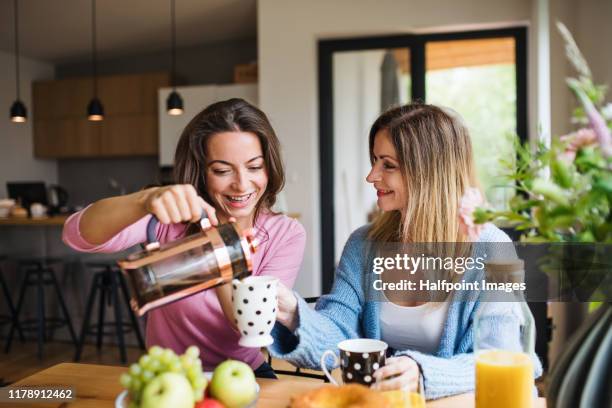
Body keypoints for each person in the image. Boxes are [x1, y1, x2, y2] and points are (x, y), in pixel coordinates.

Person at [271, 103, 542, 399]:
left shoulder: (494, 248)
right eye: (374, 160)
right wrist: (293, 313)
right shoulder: (363, 245)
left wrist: (422, 373)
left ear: (428, 172)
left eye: (388, 165)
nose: (371, 176)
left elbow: (503, 356)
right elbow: (337, 338)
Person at [63, 98, 306, 377]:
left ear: (269, 166)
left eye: (254, 167)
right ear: (201, 171)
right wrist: (144, 200)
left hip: (241, 375)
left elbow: (251, 325)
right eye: (222, 170)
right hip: (168, 375)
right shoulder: (167, 216)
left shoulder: (285, 233)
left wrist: (219, 248)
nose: (241, 183)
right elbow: (76, 234)